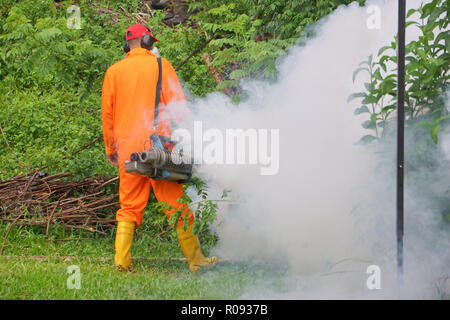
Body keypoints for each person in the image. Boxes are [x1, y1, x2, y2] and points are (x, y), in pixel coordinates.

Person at [101, 24, 217, 272]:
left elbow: (108, 115)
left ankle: (122, 262)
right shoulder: (161, 66)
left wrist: (111, 147)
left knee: (129, 206)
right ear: (146, 41)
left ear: (127, 45)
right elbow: (179, 107)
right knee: (176, 205)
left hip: (127, 147)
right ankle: (196, 261)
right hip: (157, 147)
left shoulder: (113, 72)